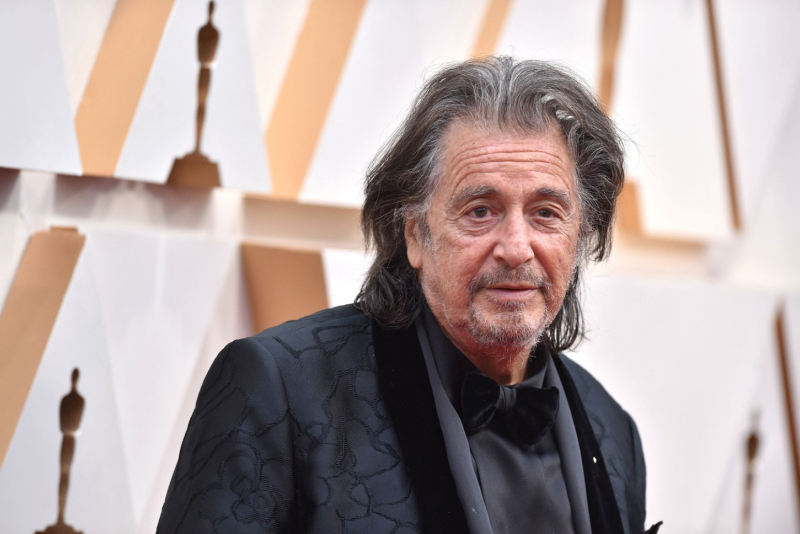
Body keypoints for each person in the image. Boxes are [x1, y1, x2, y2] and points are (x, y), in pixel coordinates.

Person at [157, 56, 660, 534]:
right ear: (415, 234)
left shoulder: (613, 429)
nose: (515, 247)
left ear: (580, 236)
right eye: (480, 211)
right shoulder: (280, 391)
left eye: (545, 213)